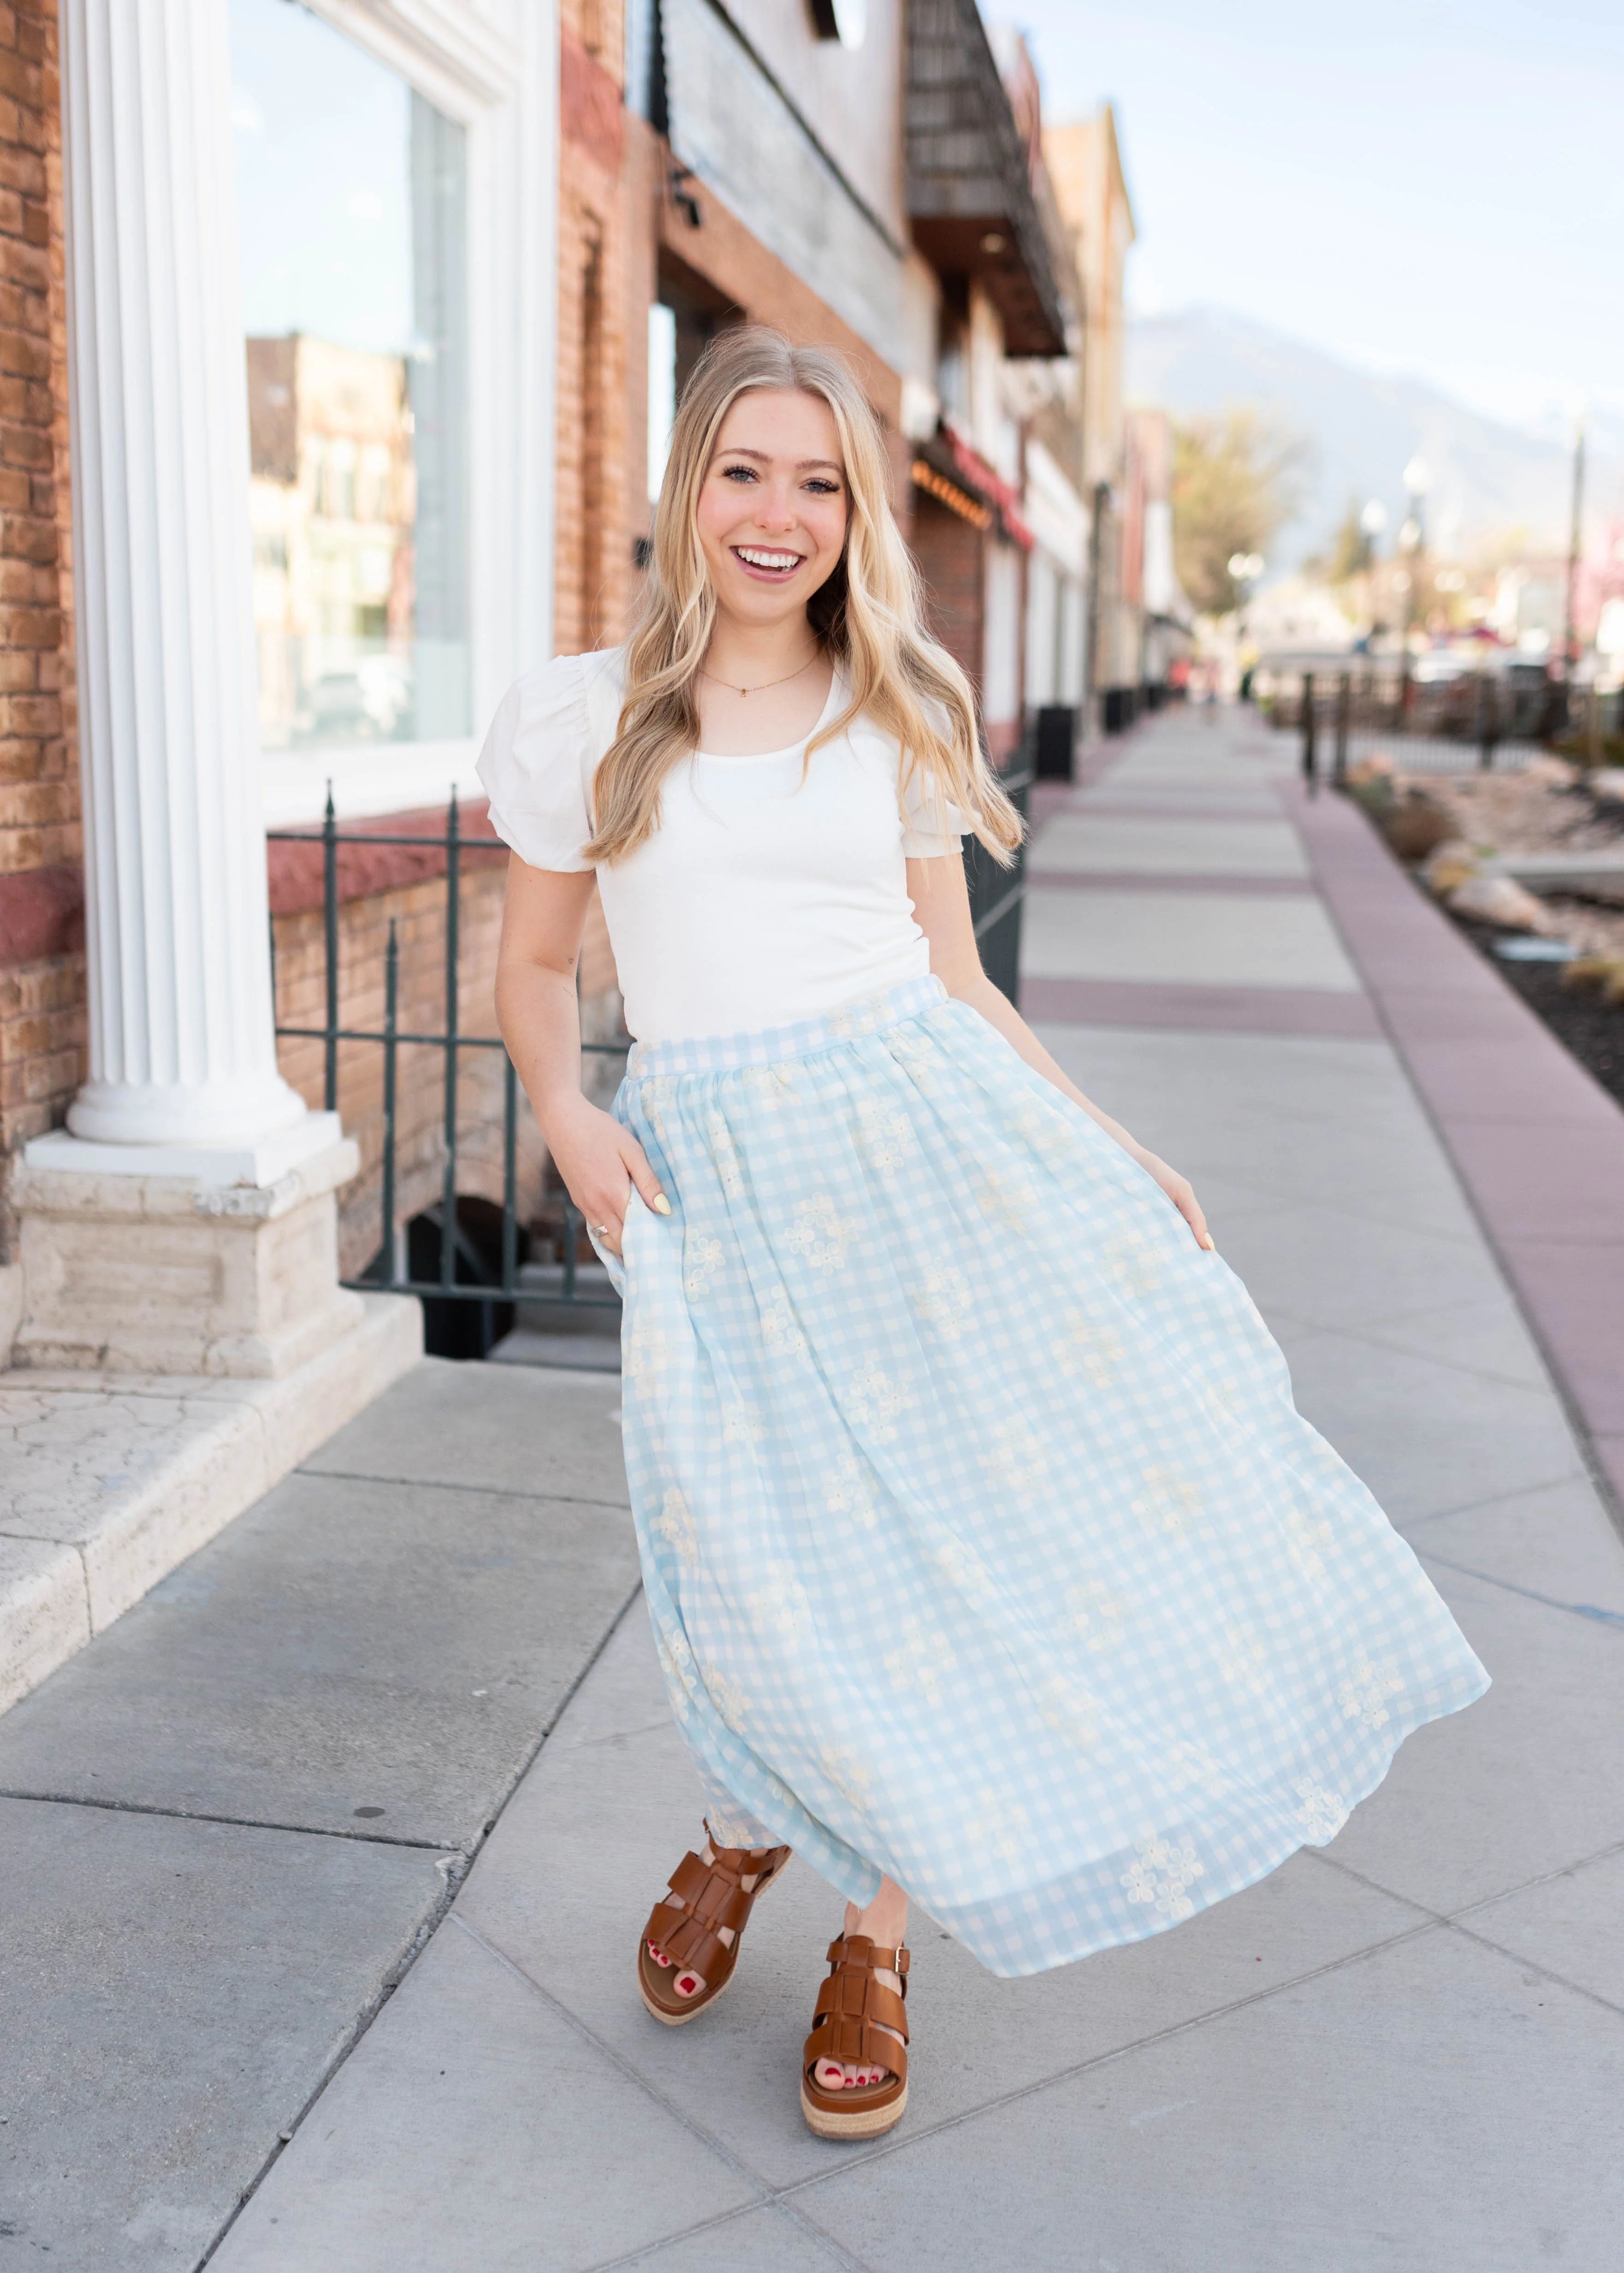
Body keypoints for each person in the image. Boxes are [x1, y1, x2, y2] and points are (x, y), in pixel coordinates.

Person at [481, 328, 1488, 2143]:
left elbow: (954, 981)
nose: (777, 513)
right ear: (687, 486)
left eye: (817, 481)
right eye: (743, 471)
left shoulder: (896, 703)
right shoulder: (586, 717)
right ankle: (741, 1828)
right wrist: (563, 1107)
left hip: (923, 1158)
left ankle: (876, 1934)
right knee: (751, 1552)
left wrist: (1111, 1143)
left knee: (920, 1555)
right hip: (716, 1183)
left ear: (854, 511)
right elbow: (541, 966)